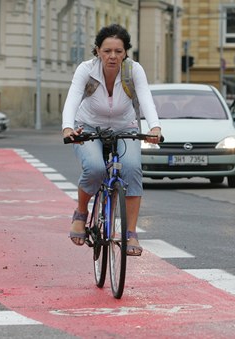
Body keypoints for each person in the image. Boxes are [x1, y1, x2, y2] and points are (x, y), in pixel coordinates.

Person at [62, 24, 161, 256]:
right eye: (107, 51)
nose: (113, 56)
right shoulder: (86, 70)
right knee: (95, 167)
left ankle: (131, 233)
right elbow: (72, 98)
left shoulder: (133, 70)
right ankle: (81, 213)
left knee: (133, 168)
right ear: (97, 50)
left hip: (125, 127)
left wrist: (154, 126)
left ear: (126, 52)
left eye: (118, 51)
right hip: (88, 127)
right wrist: (68, 128)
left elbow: (146, 97)